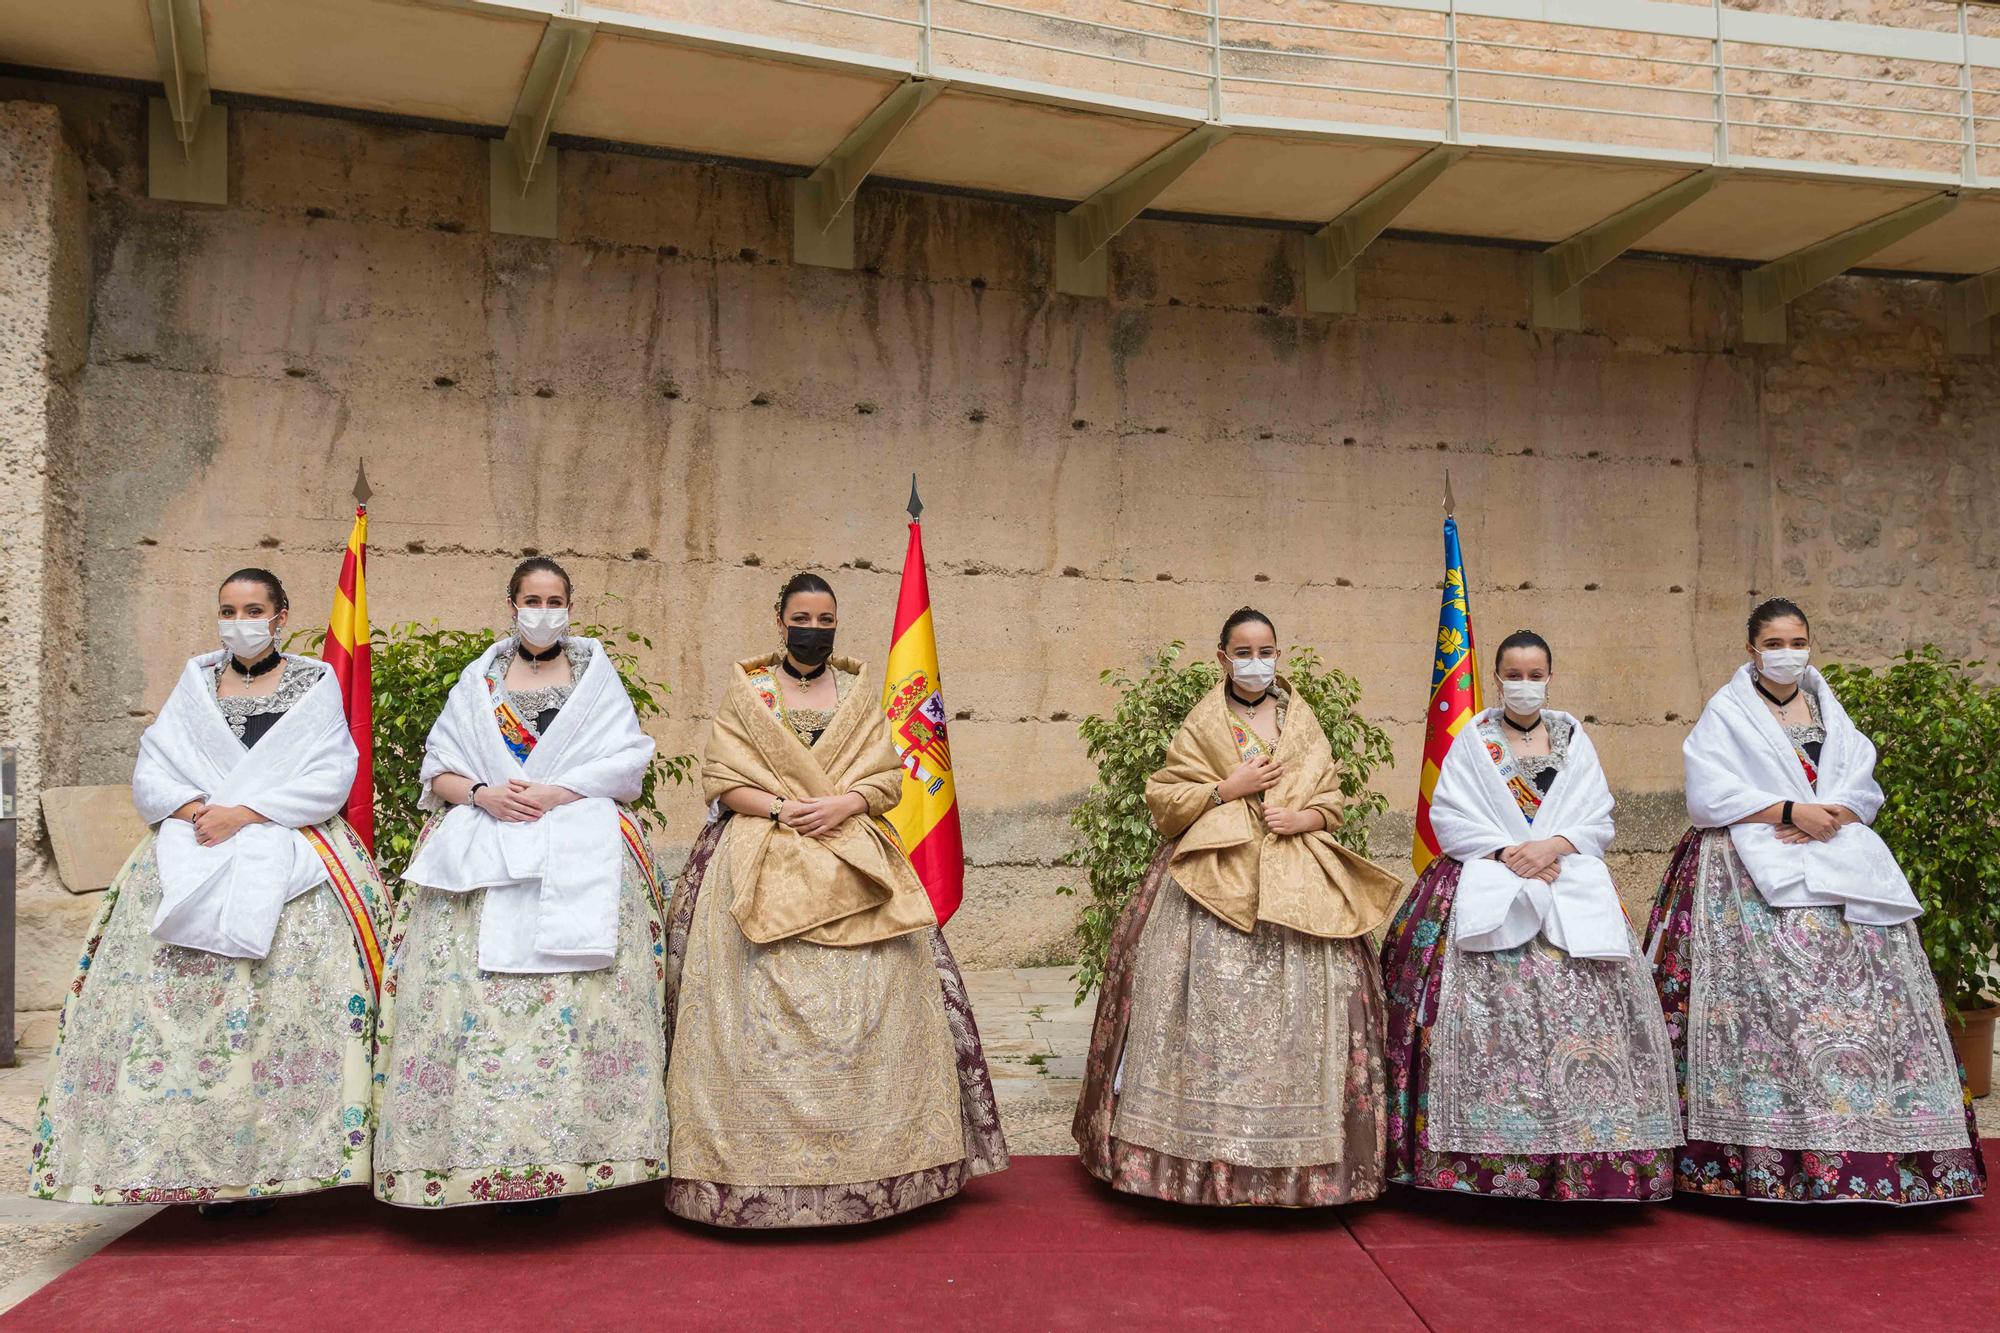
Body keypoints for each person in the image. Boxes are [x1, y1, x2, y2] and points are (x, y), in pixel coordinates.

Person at [30, 569, 387, 1210]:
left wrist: (245, 814)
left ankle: (290, 1162)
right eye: (228, 609)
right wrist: (195, 810)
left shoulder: (315, 682)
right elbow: (156, 762)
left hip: (293, 848)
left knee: (291, 1015)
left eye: (254, 609)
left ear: (281, 616)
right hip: (192, 841)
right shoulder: (196, 681)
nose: (239, 620)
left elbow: (333, 769)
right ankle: (187, 1163)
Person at [664, 571, 1007, 1227]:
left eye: (826, 620)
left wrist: (844, 802)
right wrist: (787, 807)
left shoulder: (857, 694)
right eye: (803, 616)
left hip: (852, 852)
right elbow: (721, 776)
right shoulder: (750, 694)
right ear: (779, 617)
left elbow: (886, 778)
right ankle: (743, 1173)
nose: (814, 629)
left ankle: (885, 1164)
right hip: (760, 848)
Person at [1647, 597, 1983, 1204]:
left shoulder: (1829, 704)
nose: (1787, 653)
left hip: (1837, 856)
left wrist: (1833, 813)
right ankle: (1764, 1153)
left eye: (1797, 640)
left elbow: (1861, 775)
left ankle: (1883, 1148)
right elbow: (1707, 791)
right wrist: (1786, 809)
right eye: (1773, 643)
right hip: (1748, 862)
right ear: (1751, 650)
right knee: (1774, 1014)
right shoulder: (1727, 710)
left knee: (1870, 1005)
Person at [1072, 608, 1402, 1206]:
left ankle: (1300, 1166)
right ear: (1221, 659)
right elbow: (1166, 800)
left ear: (1279, 654)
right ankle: (1191, 1161)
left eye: (1266, 650)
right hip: (1209, 881)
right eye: (1244, 652)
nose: (1256, 662)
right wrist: (1228, 789)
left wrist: (1302, 817)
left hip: (1296, 887)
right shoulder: (1203, 724)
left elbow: (1330, 800)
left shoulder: (1301, 724)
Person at [372, 557, 670, 1210]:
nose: (543, 609)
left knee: (584, 1009)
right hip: (486, 848)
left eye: (555, 598)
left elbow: (627, 760)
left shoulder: (596, 677)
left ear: (571, 605)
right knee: (465, 1007)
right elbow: (438, 766)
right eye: (532, 598)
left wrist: (560, 789)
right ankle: (465, 1155)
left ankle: (582, 1155)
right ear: (511, 605)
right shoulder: (479, 681)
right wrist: (483, 794)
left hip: (578, 838)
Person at [1379, 629, 1680, 1200]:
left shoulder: (1573, 736)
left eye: (1534, 675)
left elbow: (1597, 813)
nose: (1524, 685)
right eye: (1512, 676)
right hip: (1490, 874)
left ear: (1550, 676)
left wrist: (1554, 846)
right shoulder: (1474, 736)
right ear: (1496, 678)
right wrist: (1503, 852)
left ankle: (1583, 1158)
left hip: (1564, 872)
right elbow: (1450, 814)